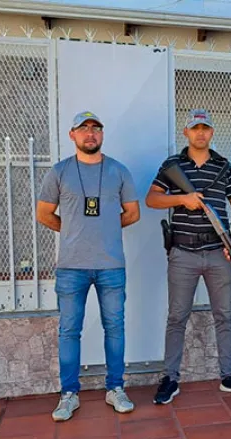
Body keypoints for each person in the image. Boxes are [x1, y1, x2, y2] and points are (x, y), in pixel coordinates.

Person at [37, 111, 141, 421]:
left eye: (96, 128)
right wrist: (72, 232)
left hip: (111, 265)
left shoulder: (118, 171)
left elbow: (132, 213)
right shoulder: (59, 172)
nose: (90, 133)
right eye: (83, 128)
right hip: (71, 267)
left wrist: (105, 230)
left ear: (102, 134)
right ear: (72, 135)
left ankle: (115, 388)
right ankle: (69, 394)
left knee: (115, 328)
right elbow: (44, 214)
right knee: (69, 330)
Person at [145, 109, 231, 404]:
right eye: (195, 128)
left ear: (212, 132)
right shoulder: (173, 165)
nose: (200, 133)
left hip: (219, 252)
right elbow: (152, 199)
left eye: (205, 128)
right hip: (183, 253)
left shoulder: (224, 166)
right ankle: (170, 378)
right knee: (177, 316)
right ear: (186, 132)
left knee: (224, 315)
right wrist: (183, 199)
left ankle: (229, 375)